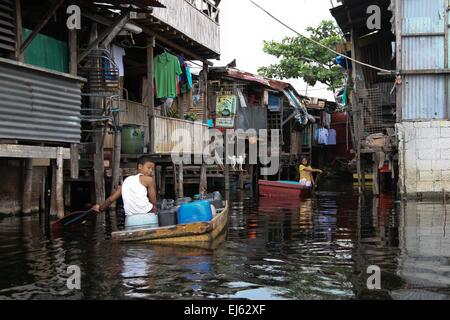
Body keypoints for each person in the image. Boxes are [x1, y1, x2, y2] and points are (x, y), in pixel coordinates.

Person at [92, 156, 158, 225]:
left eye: (152, 169)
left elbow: (110, 200)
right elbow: (153, 202)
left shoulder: (126, 182)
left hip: (130, 220)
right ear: (140, 167)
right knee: (156, 209)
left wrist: (100, 208)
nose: (150, 171)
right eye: (149, 168)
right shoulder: (149, 180)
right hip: (148, 215)